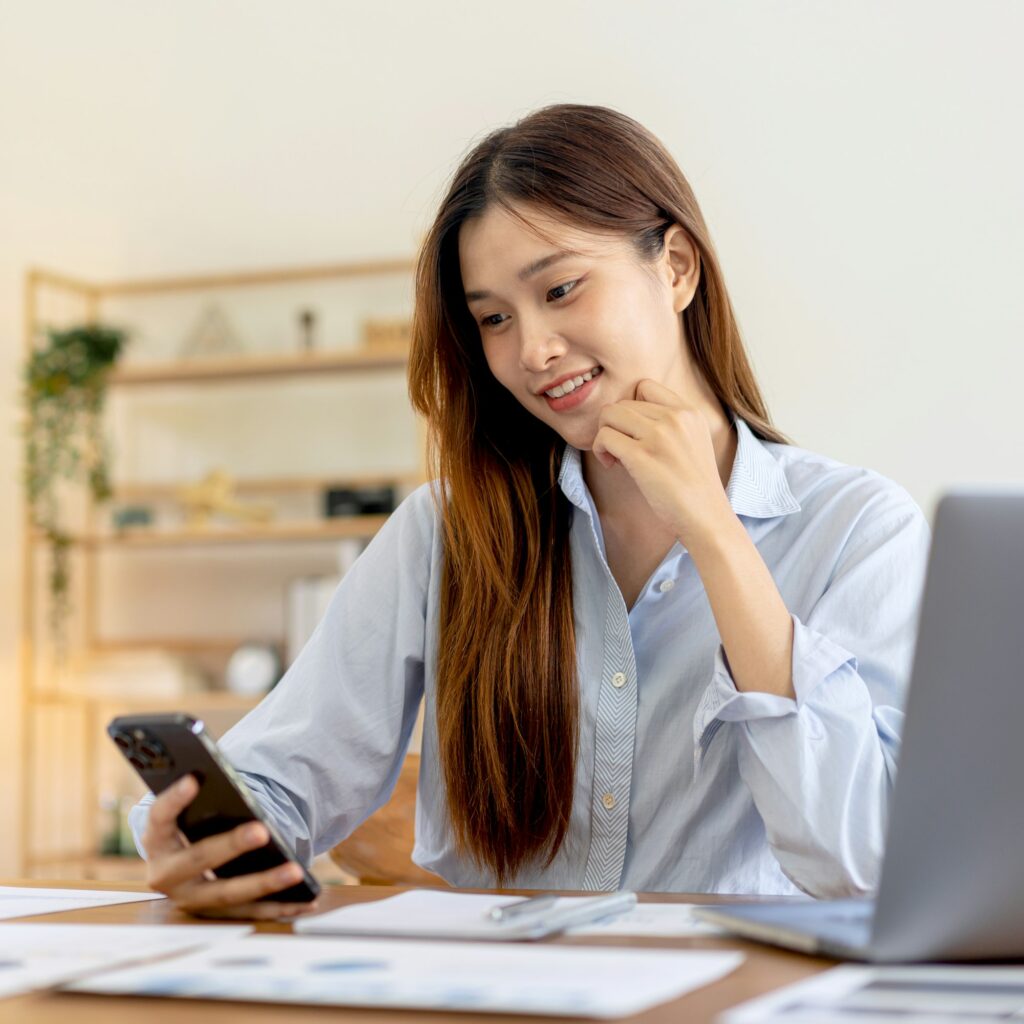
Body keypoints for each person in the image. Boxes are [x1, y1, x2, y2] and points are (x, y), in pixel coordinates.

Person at [131, 103, 930, 919]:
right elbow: (285, 775)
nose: (532, 351)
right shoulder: (446, 533)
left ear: (678, 266)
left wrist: (716, 536)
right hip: (499, 996)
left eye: (560, 288)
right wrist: (201, 839)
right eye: (494, 319)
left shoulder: (858, 530)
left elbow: (859, 857)